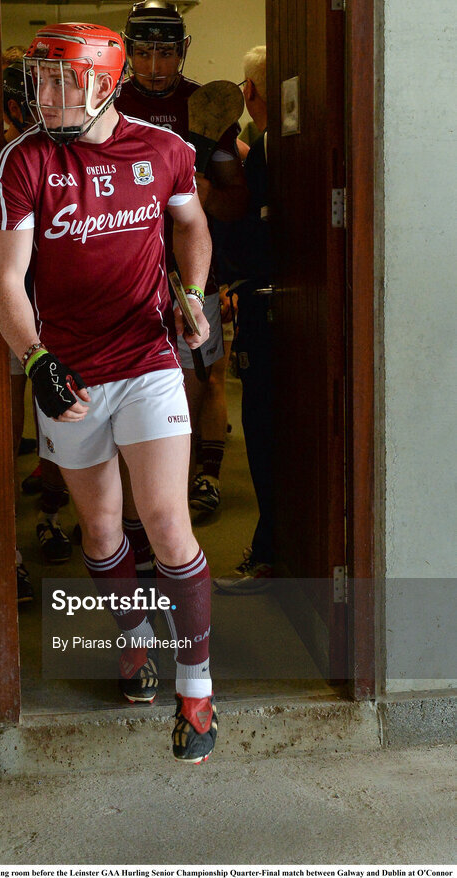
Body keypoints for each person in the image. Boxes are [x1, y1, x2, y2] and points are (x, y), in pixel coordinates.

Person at [0, 22, 218, 763]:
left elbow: (193, 229)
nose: (45, 96)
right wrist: (35, 357)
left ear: (106, 83)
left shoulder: (164, 150)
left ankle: (198, 690)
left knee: (166, 520)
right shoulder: (21, 163)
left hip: (149, 358)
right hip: (72, 371)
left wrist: (193, 292)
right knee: (101, 530)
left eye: (64, 80)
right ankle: (133, 642)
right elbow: (3, 279)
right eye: (40, 79)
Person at [116, 0, 248, 566]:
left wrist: (199, 187)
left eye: (164, 51)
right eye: (142, 51)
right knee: (132, 382)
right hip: (124, 270)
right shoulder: (108, 101)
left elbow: (234, 202)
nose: (152, 64)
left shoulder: (208, 102)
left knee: (203, 373)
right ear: (127, 50)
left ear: (183, 50)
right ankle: (134, 505)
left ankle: (205, 476)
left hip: (195, 267)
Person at [2, 59, 74, 570]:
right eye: (36, 95)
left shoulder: (79, 148)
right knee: (3, 424)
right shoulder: (9, 156)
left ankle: (49, 515)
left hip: (66, 309)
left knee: (57, 418)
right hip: (12, 308)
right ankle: (9, 546)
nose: (46, 104)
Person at [211, 45, 275, 593]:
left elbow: (245, 231)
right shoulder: (286, 144)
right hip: (278, 307)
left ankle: (271, 549)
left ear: (248, 92)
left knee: (263, 427)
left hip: (265, 308)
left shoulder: (259, 152)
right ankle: (274, 545)